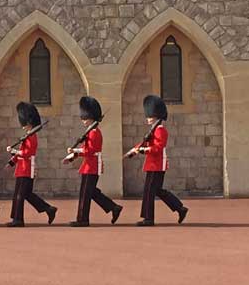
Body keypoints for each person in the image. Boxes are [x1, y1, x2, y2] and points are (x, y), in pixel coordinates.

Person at [130, 95, 189, 226]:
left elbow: (157, 148)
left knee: (149, 191)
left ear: (156, 116)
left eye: (150, 116)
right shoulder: (154, 130)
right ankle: (180, 208)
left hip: (157, 164)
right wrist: (135, 149)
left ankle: (148, 218)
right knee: (157, 190)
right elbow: (146, 143)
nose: (148, 118)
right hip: (153, 164)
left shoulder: (160, 131)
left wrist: (143, 150)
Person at [66, 96, 123, 227]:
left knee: (86, 193)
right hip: (89, 165)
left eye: (85, 118)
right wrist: (73, 155)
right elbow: (85, 149)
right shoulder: (91, 131)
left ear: (91, 117)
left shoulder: (94, 132)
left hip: (92, 165)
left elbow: (90, 151)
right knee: (90, 192)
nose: (83, 121)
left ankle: (83, 219)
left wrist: (75, 151)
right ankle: (114, 208)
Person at [6, 102, 57, 227]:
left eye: (25, 124)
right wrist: (12, 161)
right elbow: (21, 154)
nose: (23, 126)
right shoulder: (28, 136)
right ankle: (48, 209)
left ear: (30, 123)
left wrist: (14, 151)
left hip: (26, 169)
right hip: (22, 168)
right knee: (26, 194)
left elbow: (27, 153)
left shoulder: (32, 137)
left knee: (19, 195)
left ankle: (18, 220)